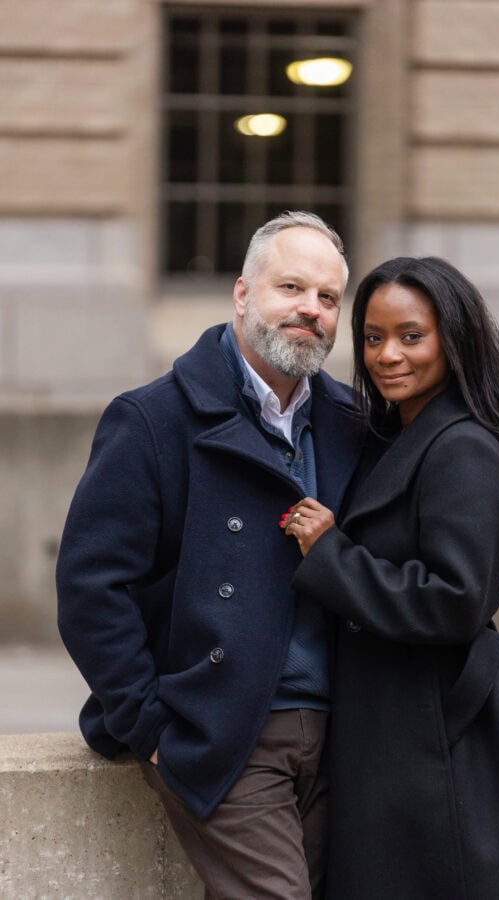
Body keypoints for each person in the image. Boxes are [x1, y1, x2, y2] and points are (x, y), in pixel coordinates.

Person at [56, 210, 367, 900]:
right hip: (225, 732)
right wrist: (154, 729)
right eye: (291, 287)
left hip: (346, 735)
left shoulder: (352, 424)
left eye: (327, 298)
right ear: (242, 293)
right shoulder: (153, 419)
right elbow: (90, 587)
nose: (309, 310)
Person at [281, 256, 499, 899]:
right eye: (374, 337)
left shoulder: (462, 447)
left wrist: (329, 554)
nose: (387, 356)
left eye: (412, 336)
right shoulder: (399, 434)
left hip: (437, 734)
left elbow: (455, 599)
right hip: (398, 726)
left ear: (452, 339)